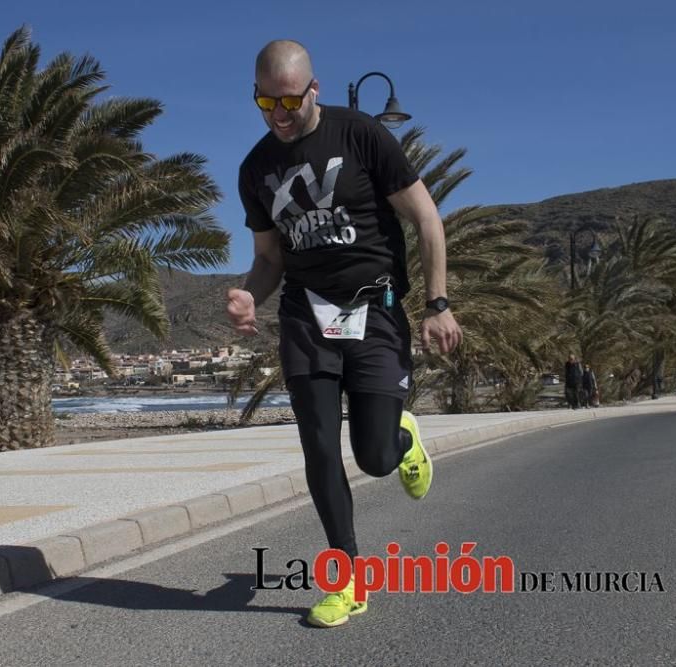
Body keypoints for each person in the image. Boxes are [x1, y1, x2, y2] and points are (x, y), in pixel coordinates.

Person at [225, 40, 462, 628]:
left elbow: (427, 218)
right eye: (264, 101)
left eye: (288, 101)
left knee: (375, 458)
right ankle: (348, 578)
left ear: (314, 90)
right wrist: (251, 294)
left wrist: (437, 303)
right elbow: (269, 258)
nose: (278, 114)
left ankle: (402, 441)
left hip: (375, 308)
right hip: (306, 316)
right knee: (320, 449)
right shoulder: (255, 168)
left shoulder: (361, 135)